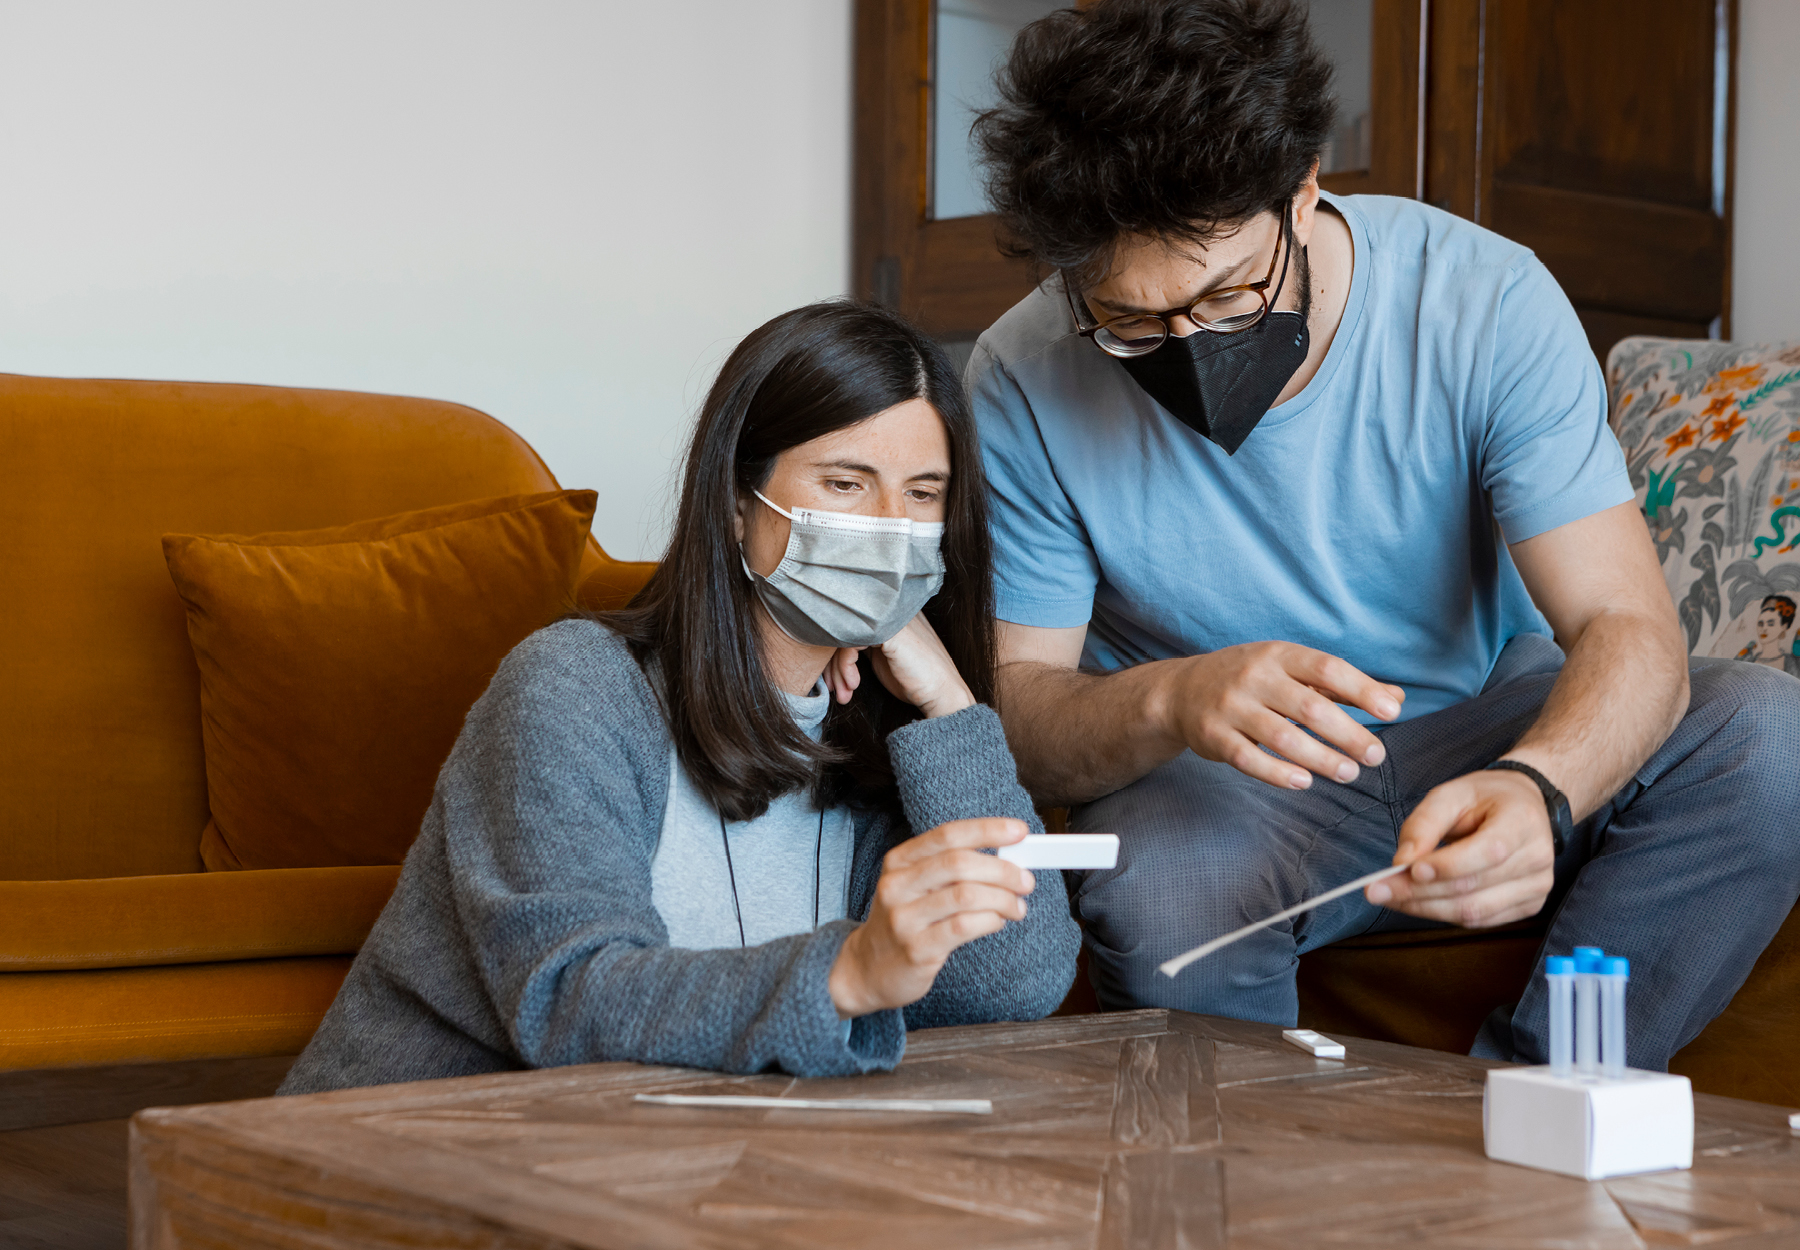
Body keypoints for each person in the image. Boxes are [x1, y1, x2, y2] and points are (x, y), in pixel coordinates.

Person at [964, 0, 1800, 1071]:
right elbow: (1022, 714)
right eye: (1131, 322)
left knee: (1769, 738)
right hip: (1230, 780)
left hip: (1485, 713)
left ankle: (1534, 1106)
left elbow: (1624, 622)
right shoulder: (1022, 372)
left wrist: (1542, 787)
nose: (1190, 347)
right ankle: (1269, 1192)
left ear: (1304, 190)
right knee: (1158, 874)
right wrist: (1173, 697)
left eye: (1230, 294)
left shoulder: (1484, 301)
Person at [281, 301, 1079, 1093]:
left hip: (650, 1165)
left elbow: (1013, 988)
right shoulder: (573, 688)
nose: (887, 529)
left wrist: (948, 705)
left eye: (923, 495)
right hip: (399, 1155)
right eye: (846, 482)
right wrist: (850, 972)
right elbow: (569, 1002)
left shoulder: (881, 737)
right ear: (738, 505)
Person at [1736, 594, 1800, 677]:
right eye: (1760, 623)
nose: (1764, 628)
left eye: (1770, 624)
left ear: (1783, 626)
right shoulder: (1748, 661)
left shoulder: (1792, 662)